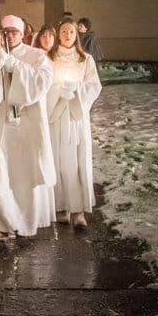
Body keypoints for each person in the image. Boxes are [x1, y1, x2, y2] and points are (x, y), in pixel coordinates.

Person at [0, 14, 55, 242]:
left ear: (22, 33)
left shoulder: (37, 56)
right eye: (5, 31)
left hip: (25, 126)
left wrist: (16, 67)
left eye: (14, 31)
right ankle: (2, 224)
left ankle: (24, 223)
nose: (9, 35)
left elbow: (41, 84)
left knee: (22, 176)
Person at [46, 18, 103, 228]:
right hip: (57, 115)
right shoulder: (49, 58)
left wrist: (77, 91)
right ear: (58, 35)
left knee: (78, 162)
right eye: (63, 31)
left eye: (71, 31)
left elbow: (94, 86)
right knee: (59, 161)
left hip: (76, 117)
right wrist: (59, 91)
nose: (67, 35)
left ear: (76, 35)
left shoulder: (85, 59)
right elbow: (43, 84)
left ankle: (79, 210)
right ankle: (62, 206)